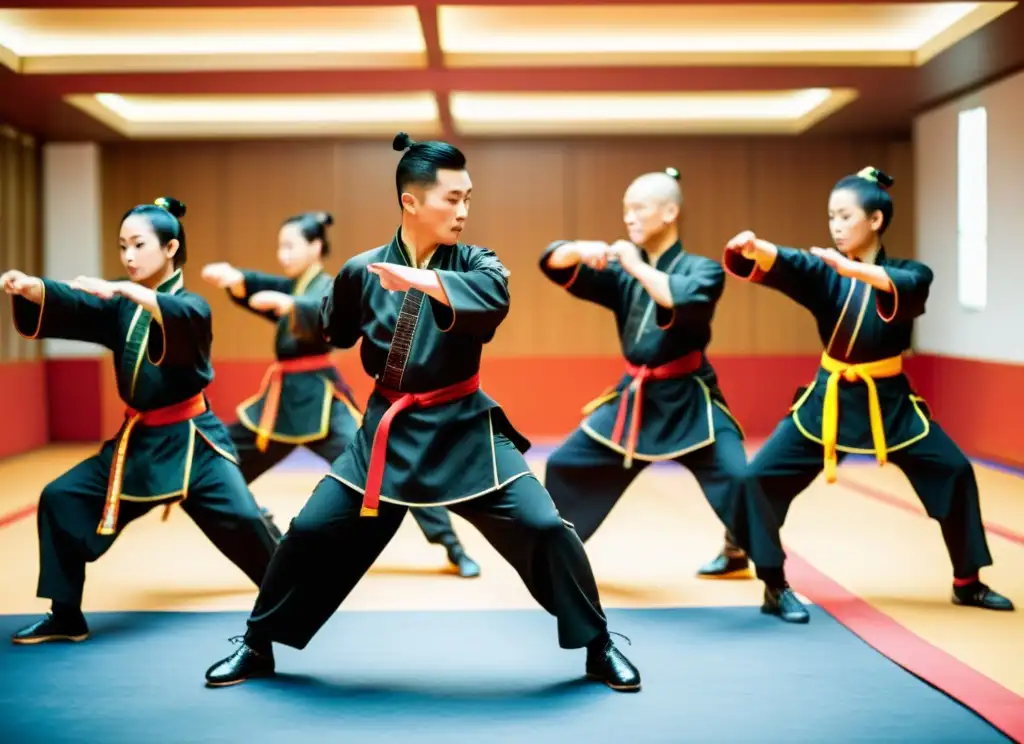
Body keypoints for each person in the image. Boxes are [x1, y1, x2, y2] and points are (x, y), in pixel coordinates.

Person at [203, 132, 641, 692]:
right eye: (451, 199)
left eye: (468, 198)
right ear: (411, 202)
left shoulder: (478, 263)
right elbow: (332, 325)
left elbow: (492, 298)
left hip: (465, 430)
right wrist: (290, 299)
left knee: (544, 526)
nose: (463, 211)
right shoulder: (363, 270)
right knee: (310, 531)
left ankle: (598, 645)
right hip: (387, 432)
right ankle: (258, 643)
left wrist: (419, 279)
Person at [715, 166, 1014, 619]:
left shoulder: (910, 273)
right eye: (831, 217)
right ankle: (774, 585)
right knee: (759, 479)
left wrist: (853, 270)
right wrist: (758, 249)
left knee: (953, 471)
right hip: (827, 401)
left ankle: (967, 581)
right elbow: (791, 263)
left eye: (844, 216)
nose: (835, 226)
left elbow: (909, 288)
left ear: (874, 220)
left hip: (890, 403)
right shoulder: (823, 273)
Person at [2, 196, 280, 645]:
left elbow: (184, 322)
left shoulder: (189, 305)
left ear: (170, 249)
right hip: (138, 445)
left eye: (138, 245)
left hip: (193, 442)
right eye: (122, 247)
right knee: (60, 497)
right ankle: (66, 614)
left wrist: (127, 291)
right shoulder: (119, 304)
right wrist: (34, 288)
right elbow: (75, 303)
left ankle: (291, 604)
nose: (128, 256)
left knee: (247, 522)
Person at [539, 168, 806, 623]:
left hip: (691, 401)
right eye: (625, 209)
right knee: (564, 464)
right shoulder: (623, 275)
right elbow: (553, 264)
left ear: (670, 212)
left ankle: (776, 584)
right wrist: (581, 250)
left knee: (741, 480)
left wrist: (634, 265)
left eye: (638, 207)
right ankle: (552, 566)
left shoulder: (701, 269)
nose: (629, 217)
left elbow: (678, 300)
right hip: (634, 402)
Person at [202, 212, 481, 577]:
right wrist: (238, 280)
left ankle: (451, 544)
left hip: (320, 401)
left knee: (389, 465)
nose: (282, 254)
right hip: (279, 405)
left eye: (290, 246)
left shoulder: (327, 287)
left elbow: (323, 314)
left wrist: (291, 307)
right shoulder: (297, 286)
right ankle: (263, 529)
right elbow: (265, 287)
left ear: (315, 247)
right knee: (219, 465)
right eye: (280, 246)